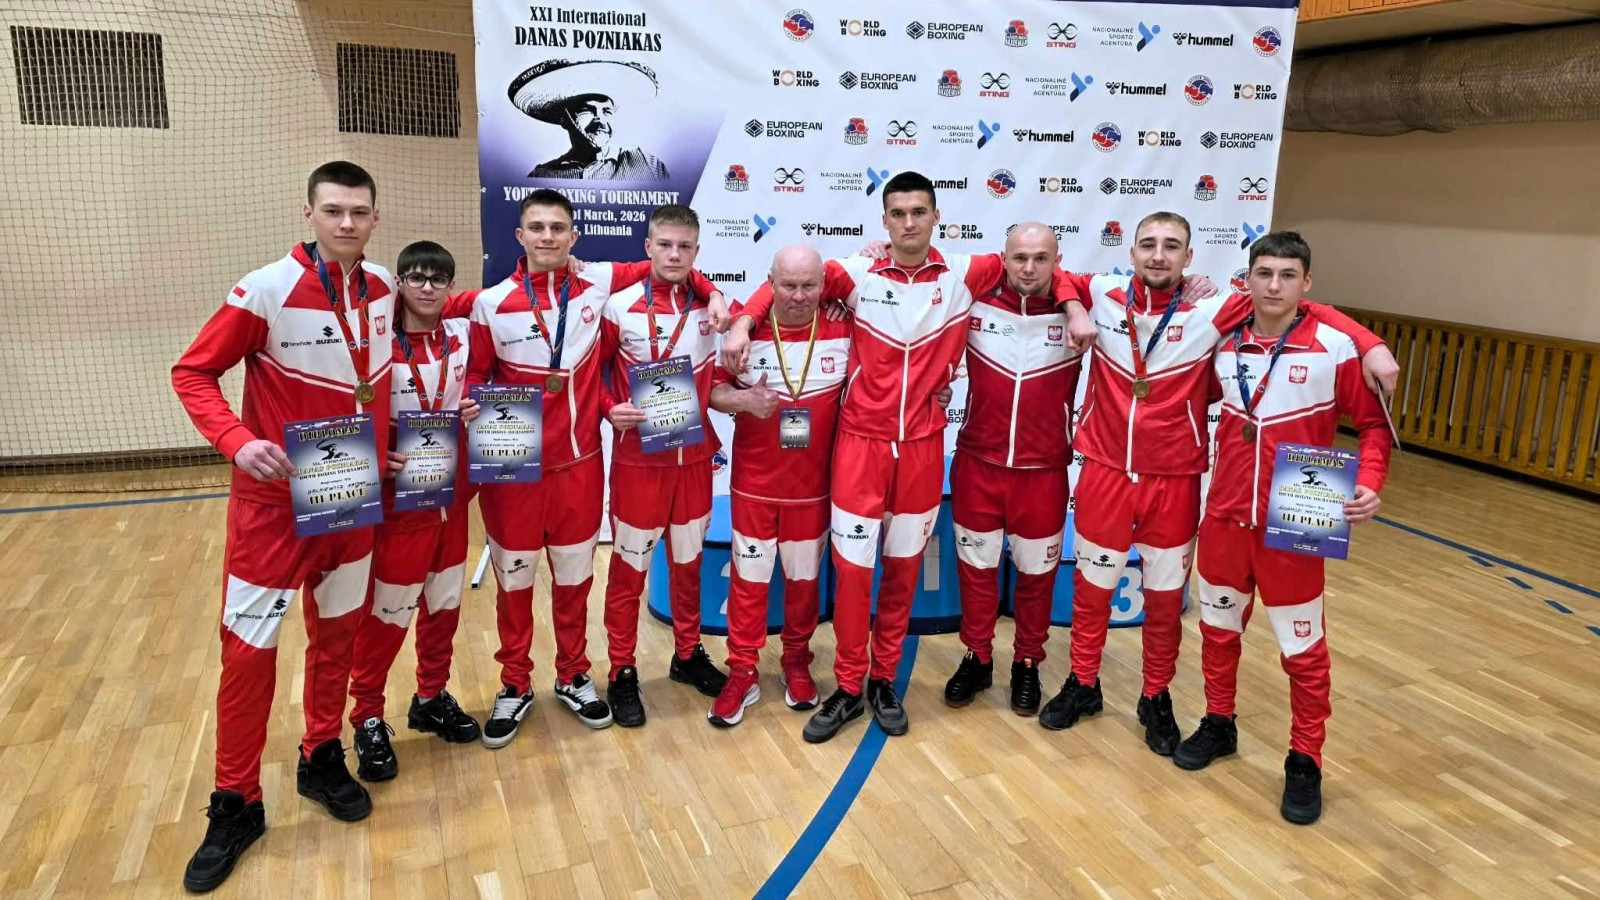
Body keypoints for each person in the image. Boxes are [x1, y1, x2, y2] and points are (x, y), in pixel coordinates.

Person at [721, 172, 1088, 744]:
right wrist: (744, 321)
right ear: (885, 221)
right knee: (852, 575)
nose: (909, 222)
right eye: (898, 213)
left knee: (901, 573)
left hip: (921, 448)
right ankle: (848, 685)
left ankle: (883, 680)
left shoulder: (968, 272)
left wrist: (1073, 306)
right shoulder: (858, 273)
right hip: (860, 448)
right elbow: (791, 279)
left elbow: (1042, 267)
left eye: (919, 212)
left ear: (937, 216)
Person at [1037, 212, 1399, 758]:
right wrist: (1072, 307)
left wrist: (1371, 343)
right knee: (1098, 591)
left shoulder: (1219, 313)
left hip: (1219, 484)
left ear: (1189, 258)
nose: (1158, 254)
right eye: (1148, 244)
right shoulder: (1104, 294)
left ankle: (1160, 698)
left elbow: (1300, 308)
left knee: (1184, 606)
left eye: (1172, 246)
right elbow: (1058, 276)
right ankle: (1084, 682)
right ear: (1131, 253)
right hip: (1119, 474)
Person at [172, 161, 393, 892]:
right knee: (247, 655)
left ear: (374, 217)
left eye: (358, 211)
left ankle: (321, 755)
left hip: (350, 498)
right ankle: (236, 800)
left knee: (338, 638)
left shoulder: (384, 287)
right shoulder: (264, 289)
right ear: (309, 214)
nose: (346, 223)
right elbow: (192, 372)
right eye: (333, 210)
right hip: (272, 511)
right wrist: (236, 441)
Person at [1174, 231, 1391, 825]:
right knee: (1218, 631)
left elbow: (1373, 425)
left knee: (1303, 648)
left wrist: (1371, 479)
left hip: (1302, 508)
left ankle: (1305, 759)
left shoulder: (1335, 347)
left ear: (1306, 283)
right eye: (1264, 274)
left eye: (1287, 275)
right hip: (1225, 512)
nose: (1274, 286)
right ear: (1248, 279)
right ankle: (1219, 722)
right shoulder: (1222, 340)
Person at [466, 189, 673, 744]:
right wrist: (468, 403)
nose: (548, 237)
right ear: (520, 236)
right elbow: (476, 376)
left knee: (574, 582)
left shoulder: (598, 287)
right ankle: (514, 683)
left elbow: (667, 264)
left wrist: (718, 296)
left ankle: (573, 674)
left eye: (558, 228)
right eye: (537, 227)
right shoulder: (491, 304)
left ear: (574, 236)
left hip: (580, 468)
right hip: (513, 474)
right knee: (514, 585)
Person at [346, 241, 483, 782]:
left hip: (452, 497)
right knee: (387, 613)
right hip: (398, 503)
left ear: (450, 286)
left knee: (444, 605)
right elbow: (346, 406)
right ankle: (367, 716)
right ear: (399, 283)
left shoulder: (464, 332)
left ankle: (430, 696)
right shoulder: (375, 343)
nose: (427, 287)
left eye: (438, 279)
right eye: (417, 278)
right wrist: (376, 454)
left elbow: (487, 367)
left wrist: (474, 399)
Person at [704, 245, 854, 726]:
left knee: (804, 584)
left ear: (824, 286)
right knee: (748, 582)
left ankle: (796, 660)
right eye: (787, 285)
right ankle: (742, 670)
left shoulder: (845, 327)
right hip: (754, 486)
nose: (798, 295)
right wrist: (744, 401)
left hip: (813, 491)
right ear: (769, 283)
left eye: (809, 286)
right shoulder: (742, 335)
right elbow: (712, 391)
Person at [941, 223, 1084, 716]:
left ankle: (1027, 662)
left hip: (1043, 473)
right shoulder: (973, 300)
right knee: (976, 571)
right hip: (978, 465)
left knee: (1037, 576)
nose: (1028, 268)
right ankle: (977, 656)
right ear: (1002, 258)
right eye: (1019, 257)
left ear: (1057, 262)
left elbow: (1140, 284)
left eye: (1041, 258)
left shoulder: (1081, 305)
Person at [596, 204, 729, 727]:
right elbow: (594, 374)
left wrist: (717, 295)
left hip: (694, 462)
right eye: (665, 245)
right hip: (639, 463)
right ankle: (622, 670)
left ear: (697, 252)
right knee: (629, 571)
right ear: (647, 247)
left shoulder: (713, 309)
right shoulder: (619, 306)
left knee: (688, 566)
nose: (674, 255)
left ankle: (687, 653)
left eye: (685, 247)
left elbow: (760, 313)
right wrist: (610, 407)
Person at [509, 59, 670, 180]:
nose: (600, 118)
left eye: (607, 111)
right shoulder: (542, 176)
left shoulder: (645, 165)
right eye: (587, 110)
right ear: (564, 119)